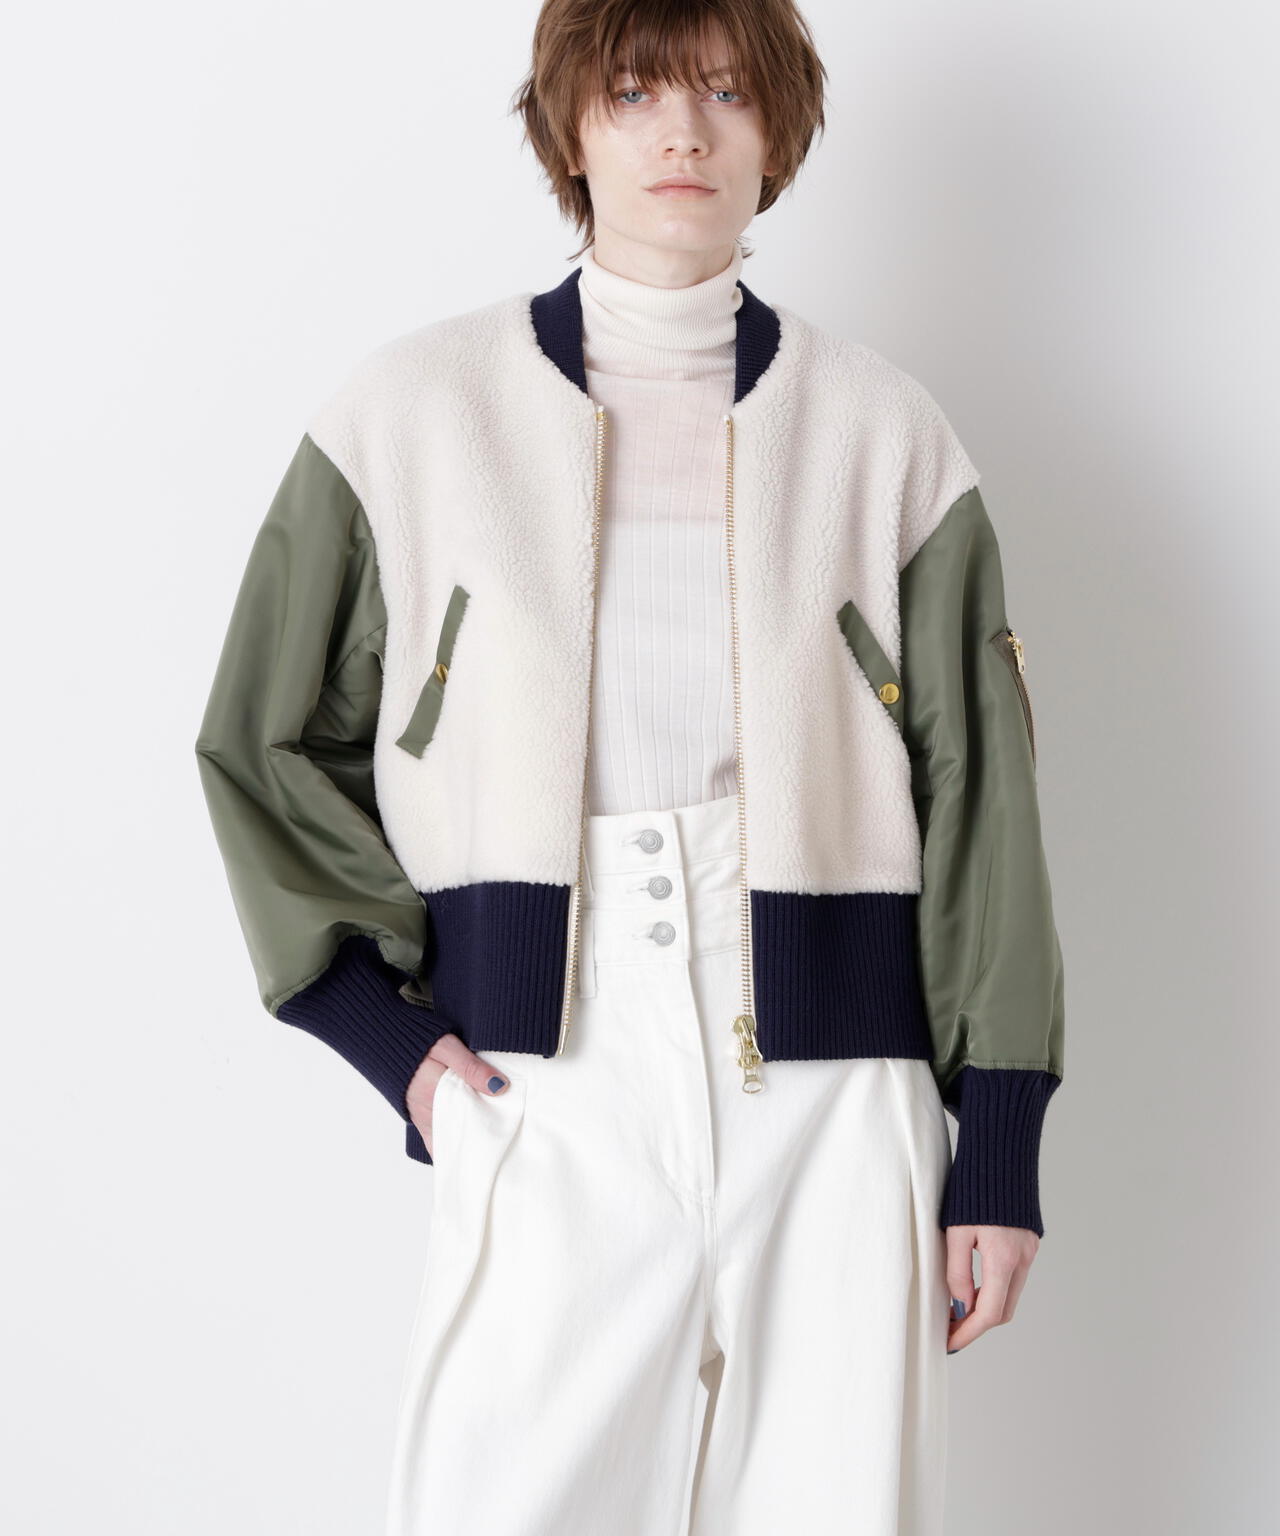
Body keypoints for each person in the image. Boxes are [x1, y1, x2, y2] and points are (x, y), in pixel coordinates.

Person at [193, 1, 1066, 1531]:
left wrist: (995, 1147)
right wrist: (388, 1034)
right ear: (570, 128)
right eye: (639, 91)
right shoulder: (412, 416)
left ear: (777, 132)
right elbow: (258, 740)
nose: (683, 132)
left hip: (837, 1086)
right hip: (545, 1071)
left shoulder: (886, 433)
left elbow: (983, 799)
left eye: (727, 93)